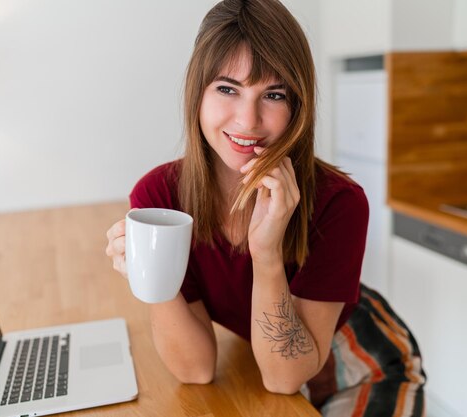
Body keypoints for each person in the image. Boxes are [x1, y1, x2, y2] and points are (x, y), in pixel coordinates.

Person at [105, 0, 426, 415]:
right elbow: (196, 369)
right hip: (265, 354)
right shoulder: (161, 198)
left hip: (360, 355)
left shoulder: (339, 202)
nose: (248, 120)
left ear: (297, 106)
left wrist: (267, 253)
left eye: (273, 94)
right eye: (227, 89)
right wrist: (152, 278)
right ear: (197, 94)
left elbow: (285, 378)